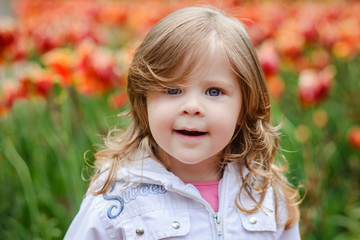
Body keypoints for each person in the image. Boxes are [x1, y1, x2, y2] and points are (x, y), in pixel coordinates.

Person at [65, 6, 301, 239]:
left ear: (244, 106)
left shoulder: (265, 192)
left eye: (214, 92)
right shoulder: (115, 200)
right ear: (143, 100)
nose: (192, 107)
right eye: (172, 89)